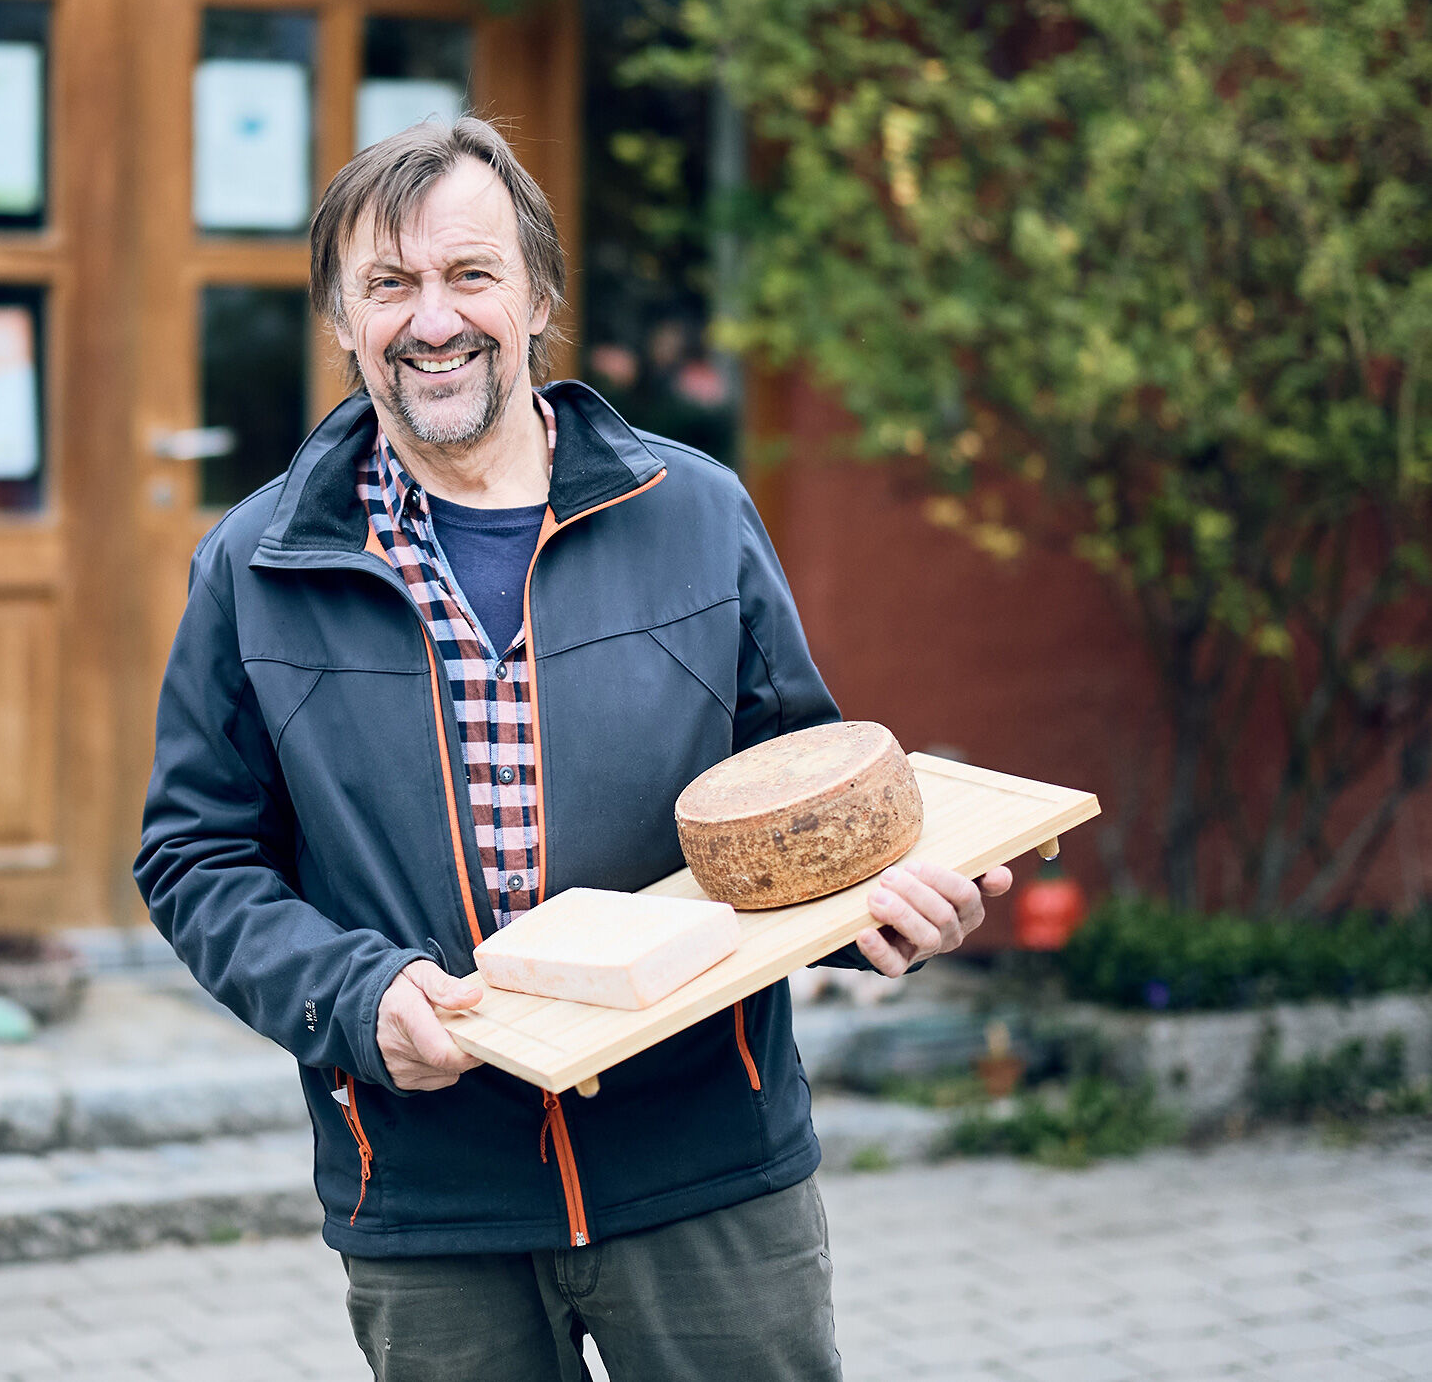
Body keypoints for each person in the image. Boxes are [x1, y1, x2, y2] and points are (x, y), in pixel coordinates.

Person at [135, 118, 1011, 1381]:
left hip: (705, 1174)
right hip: (432, 1197)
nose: (432, 319)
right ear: (342, 317)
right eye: (390, 285)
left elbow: (806, 790)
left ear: (537, 293)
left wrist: (894, 905)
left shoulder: (694, 513)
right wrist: (353, 996)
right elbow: (194, 856)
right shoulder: (253, 564)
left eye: (469, 275)